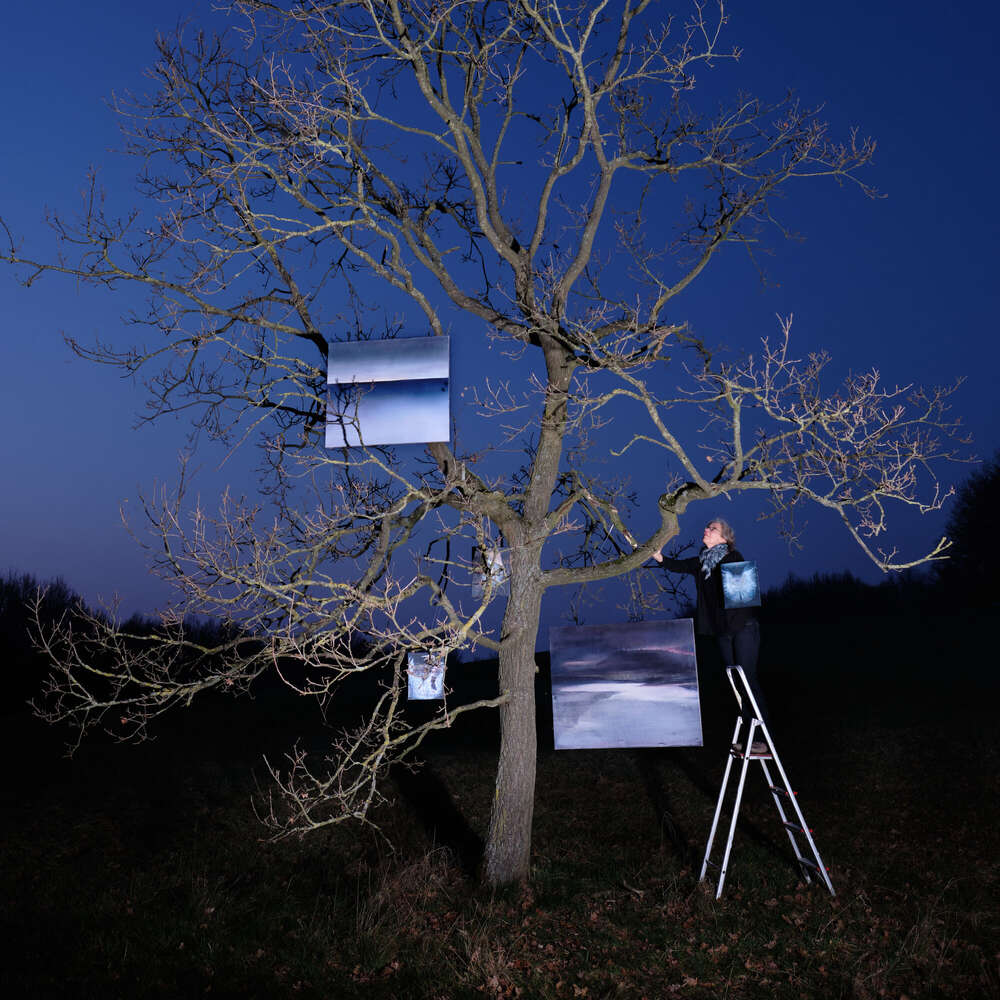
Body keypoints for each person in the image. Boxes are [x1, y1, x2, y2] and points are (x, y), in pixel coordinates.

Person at [652, 518, 771, 751]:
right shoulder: (702, 562)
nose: (706, 530)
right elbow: (676, 565)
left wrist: (732, 628)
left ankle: (763, 739)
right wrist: (657, 555)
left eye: (712, 528)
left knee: (747, 680)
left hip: (743, 628)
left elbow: (744, 601)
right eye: (706, 527)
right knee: (736, 684)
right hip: (723, 632)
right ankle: (750, 737)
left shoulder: (733, 557)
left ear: (724, 538)